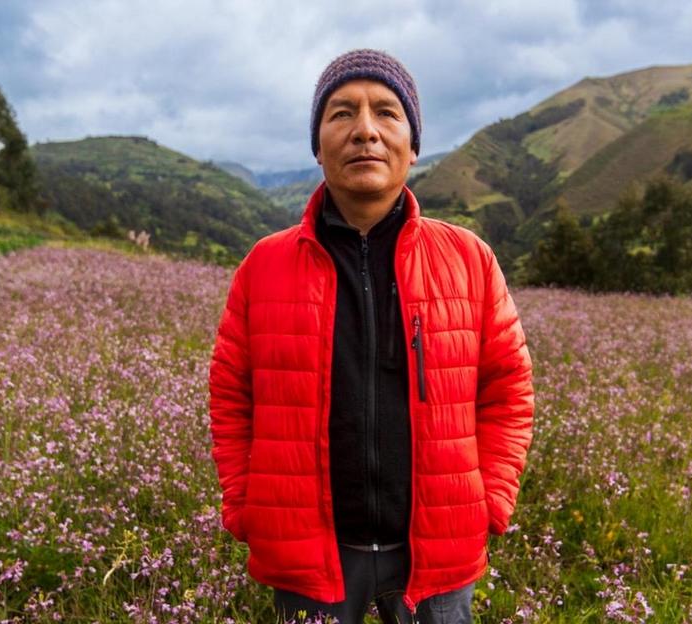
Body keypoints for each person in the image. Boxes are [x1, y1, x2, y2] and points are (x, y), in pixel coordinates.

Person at [209, 48, 535, 624]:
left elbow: (508, 389)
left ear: (413, 145)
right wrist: (244, 506)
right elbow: (232, 394)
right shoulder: (264, 265)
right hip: (310, 558)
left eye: (386, 113)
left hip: (436, 558)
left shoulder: (469, 259)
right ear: (317, 146)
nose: (365, 131)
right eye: (341, 114)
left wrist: (490, 501)